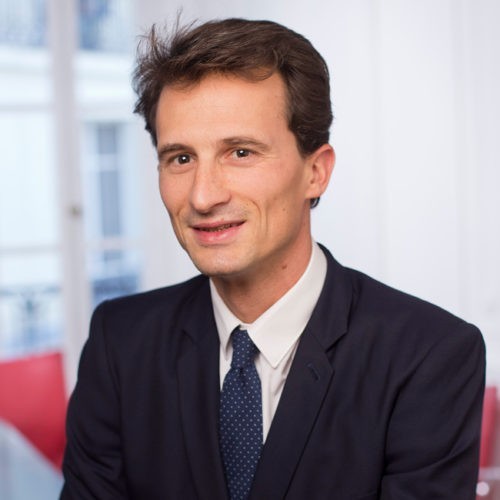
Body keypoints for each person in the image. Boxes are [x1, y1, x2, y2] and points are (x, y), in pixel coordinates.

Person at [60, 18, 485, 500]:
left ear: (316, 172)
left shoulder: (429, 355)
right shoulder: (121, 344)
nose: (202, 196)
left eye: (240, 152)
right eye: (180, 158)